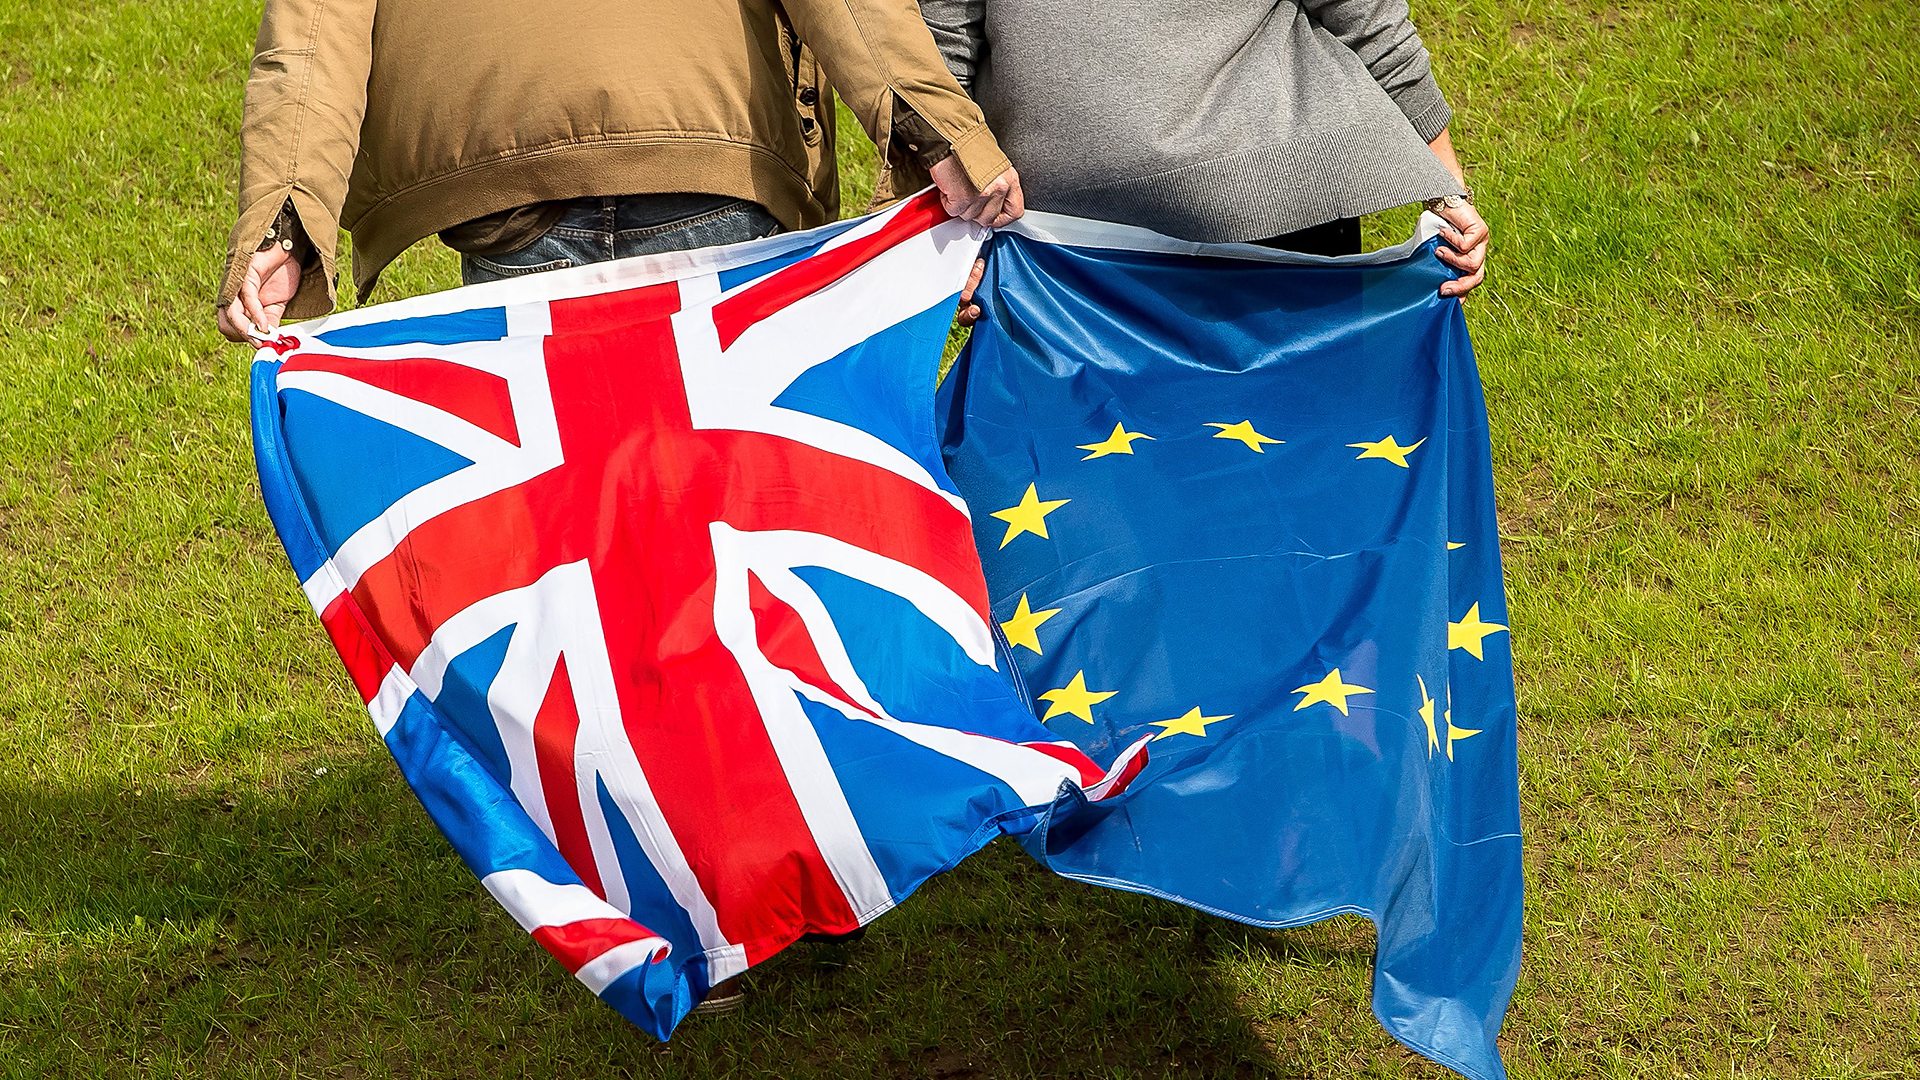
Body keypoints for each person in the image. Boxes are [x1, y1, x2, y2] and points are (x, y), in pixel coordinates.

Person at [216, 0, 1025, 342]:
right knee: (719, 530)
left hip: (508, 186)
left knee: (571, 554)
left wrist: (282, 217)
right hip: (709, 154)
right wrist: (937, 134)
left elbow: (312, 33)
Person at [920, 0, 1487, 298]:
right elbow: (937, 55)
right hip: (1056, 247)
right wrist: (948, 231)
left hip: (1272, 208)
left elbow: (1367, 18)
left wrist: (1444, 191)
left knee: (1299, 456)